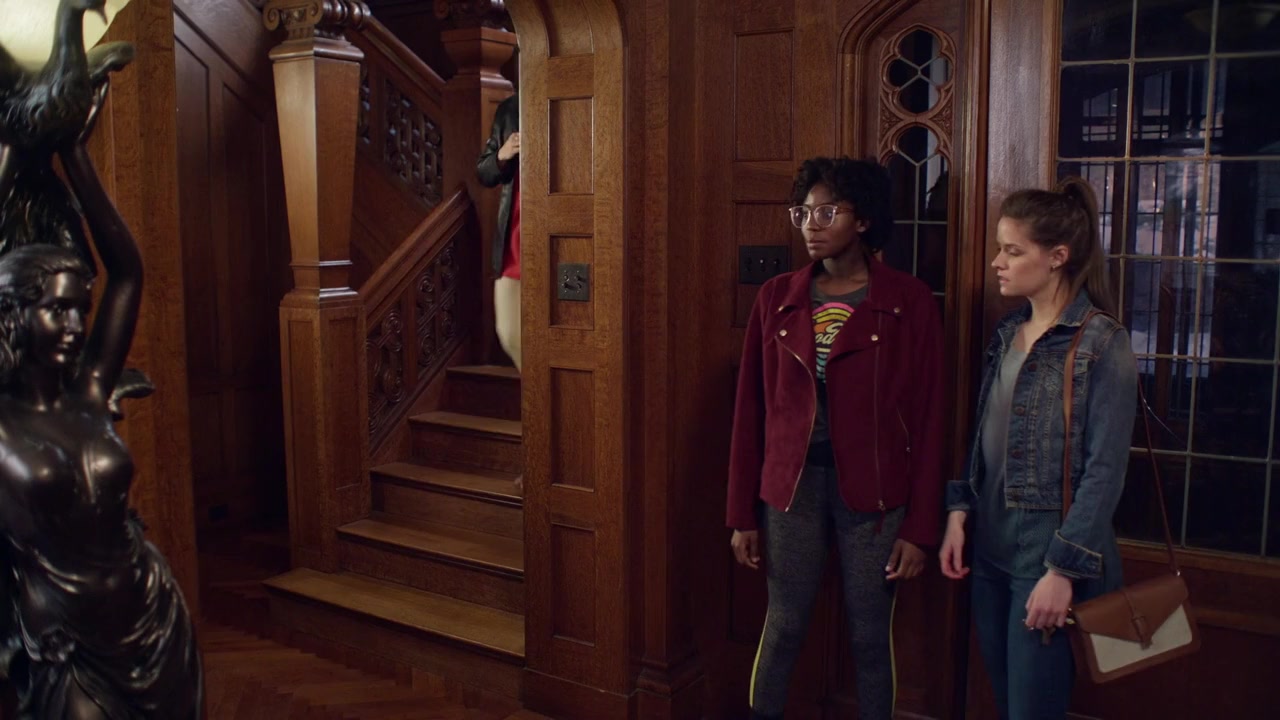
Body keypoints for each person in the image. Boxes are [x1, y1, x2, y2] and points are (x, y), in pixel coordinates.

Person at [0, 92, 201, 716]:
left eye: (79, 310)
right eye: (56, 309)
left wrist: (75, 154)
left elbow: (128, 273)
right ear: (13, 314)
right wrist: (12, 151)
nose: (74, 326)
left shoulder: (88, 391)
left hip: (151, 615)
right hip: (68, 642)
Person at [727, 157, 945, 720]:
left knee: (871, 634)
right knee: (784, 624)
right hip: (791, 491)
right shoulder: (777, 296)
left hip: (876, 496)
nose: (810, 225)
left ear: (864, 219)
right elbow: (751, 411)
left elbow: (930, 420)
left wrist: (920, 529)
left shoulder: (908, 300)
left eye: (827, 213)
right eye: (802, 213)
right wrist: (742, 514)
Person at [939, 177, 1137, 720]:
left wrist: (1063, 570)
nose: (997, 262)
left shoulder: (1102, 342)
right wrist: (958, 510)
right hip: (989, 543)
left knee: (1033, 708)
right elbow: (984, 433)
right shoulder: (1008, 333)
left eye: (1012, 250)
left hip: (1046, 550)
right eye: (999, 248)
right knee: (1007, 701)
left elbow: (1105, 471)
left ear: (1057, 257)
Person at [476, 91, 522, 373]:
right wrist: (502, 154)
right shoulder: (510, 109)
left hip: (559, 239)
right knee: (508, 332)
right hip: (512, 243)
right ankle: (541, 394)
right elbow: (484, 172)